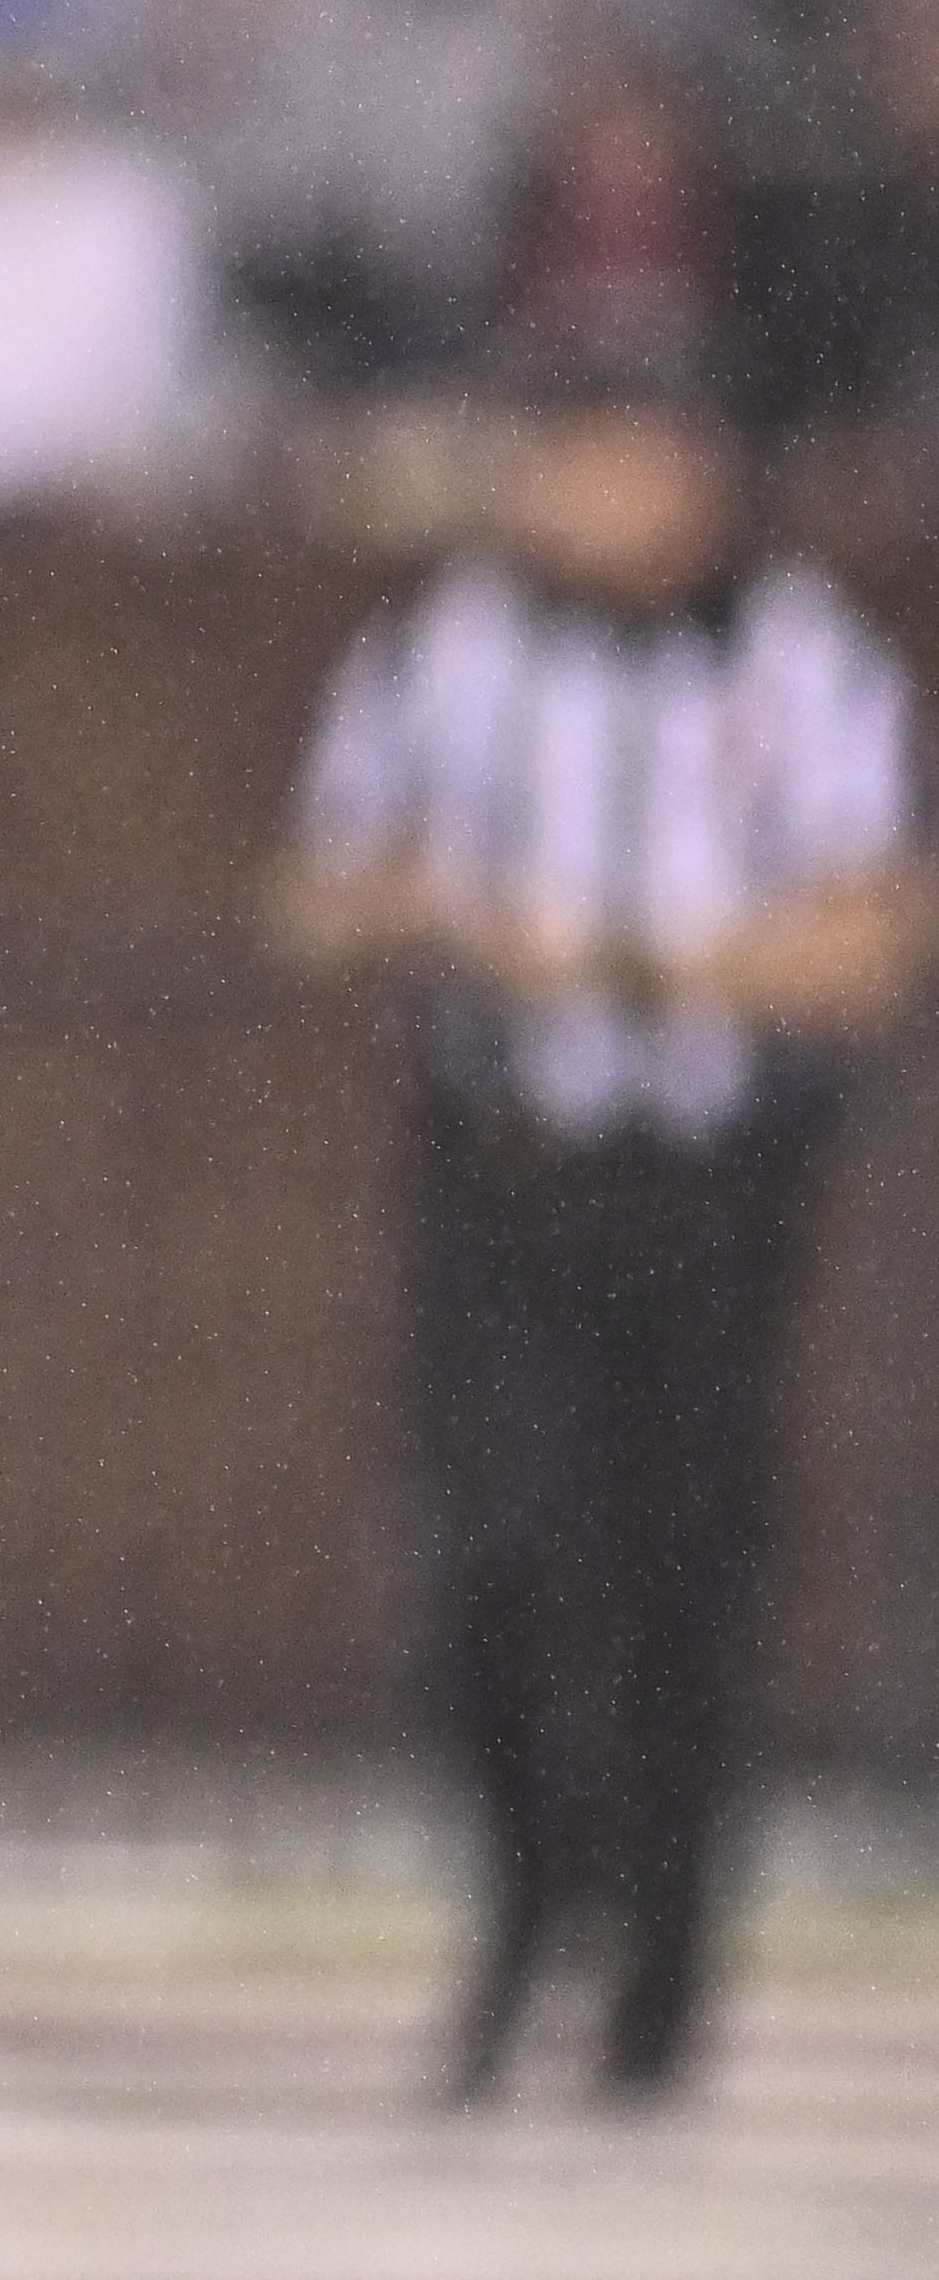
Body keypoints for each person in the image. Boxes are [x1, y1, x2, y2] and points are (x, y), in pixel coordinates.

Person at [276, 334, 922, 2101]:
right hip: (502, 1170)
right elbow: (316, 896)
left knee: (683, 1577)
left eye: (622, 452)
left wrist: (635, 962)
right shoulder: (440, 653)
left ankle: (661, 1966)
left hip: (702, 1190)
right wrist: (449, 920)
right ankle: (521, 1906)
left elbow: (865, 939)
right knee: (483, 1550)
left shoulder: (804, 665)